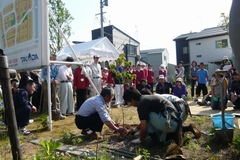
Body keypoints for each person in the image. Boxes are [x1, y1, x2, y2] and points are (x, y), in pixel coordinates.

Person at [123, 87, 201, 146]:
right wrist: (136, 129)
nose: (131, 105)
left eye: (129, 103)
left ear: (132, 100)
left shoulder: (142, 104)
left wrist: (140, 140)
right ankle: (173, 136)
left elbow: (144, 129)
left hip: (172, 121)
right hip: (178, 119)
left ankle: (156, 142)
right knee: (154, 126)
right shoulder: (147, 99)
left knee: (148, 118)